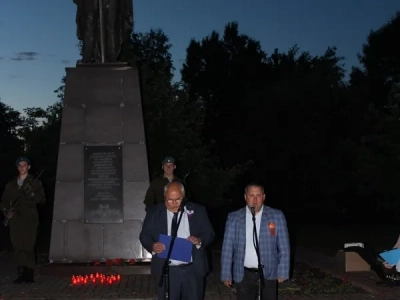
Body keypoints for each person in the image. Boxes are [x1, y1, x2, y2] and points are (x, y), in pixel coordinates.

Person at [140, 181, 214, 300]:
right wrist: (153, 246)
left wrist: (199, 240)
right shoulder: (154, 212)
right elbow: (144, 236)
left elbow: (209, 233)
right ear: (164, 198)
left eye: (178, 199)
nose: (174, 204)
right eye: (170, 200)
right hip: (167, 271)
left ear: (183, 197)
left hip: (193, 270)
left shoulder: (198, 210)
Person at [220, 183, 290, 300]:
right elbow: (227, 247)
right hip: (243, 273)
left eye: (258, 195)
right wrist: (226, 273)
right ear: (245, 197)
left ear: (263, 197)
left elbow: (284, 246)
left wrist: (283, 271)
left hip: (268, 272)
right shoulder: (234, 217)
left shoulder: (276, 215)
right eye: (251, 195)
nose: (255, 199)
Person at [0, 157, 46, 284]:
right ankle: (21, 273)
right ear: (17, 167)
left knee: (29, 246)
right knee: (18, 246)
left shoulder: (35, 182)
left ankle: (29, 274)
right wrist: (6, 212)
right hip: (15, 219)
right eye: (19, 165)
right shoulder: (11, 184)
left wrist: (31, 194)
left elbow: (41, 199)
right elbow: (4, 200)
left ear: (29, 167)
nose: (22, 167)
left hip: (30, 219)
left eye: (24, 165)